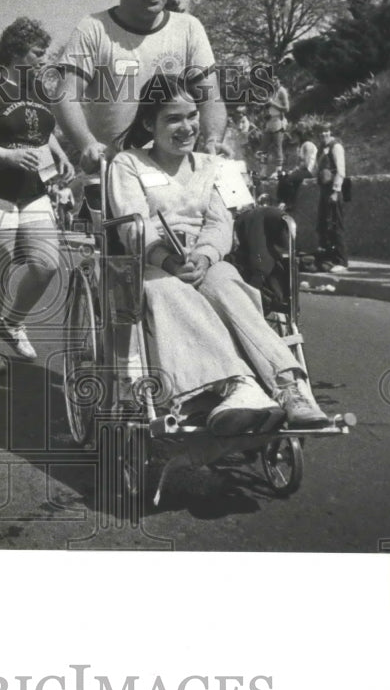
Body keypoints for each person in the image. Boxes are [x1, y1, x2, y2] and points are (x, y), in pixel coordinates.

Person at [107, 73, 328, 432]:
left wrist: (206, 257)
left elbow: (219, 223)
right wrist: (168, 259)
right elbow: (134, 223)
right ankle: (238, 385)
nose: (187, 126)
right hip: (154, 261)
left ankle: (290, 386)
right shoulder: (128, 164)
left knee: (226, 283)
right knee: (165, 290)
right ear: (150, 123)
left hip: (205, 259)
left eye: (192, 116)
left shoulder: (213, 167)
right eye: (173, 118)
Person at [0, 17, 72, 372]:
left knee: (47, 264)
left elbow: (40, 129)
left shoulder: (38, 92)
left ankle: (12, 321)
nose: (43, 59)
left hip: (31, 189)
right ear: (16, 52)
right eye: (38, 52)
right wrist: (6, 155)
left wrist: (61, 153)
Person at [55, 0, 227, 173]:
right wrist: (87, 144)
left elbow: (209, 96)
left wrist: (212, 139)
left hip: (175, 170)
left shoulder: (189, 27)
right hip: (113, 168)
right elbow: (65, 96)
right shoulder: (93, 27)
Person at [315, 122, 349, 272]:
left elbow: (341, 171)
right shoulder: (321, 148)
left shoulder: (336, 147)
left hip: (334, 189)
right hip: (324, 189)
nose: (324, 135)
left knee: (336, 223)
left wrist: (336, 191)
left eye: (327, 132)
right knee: (323, 224)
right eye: (322, 132)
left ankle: (342, 261)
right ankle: (330, 258)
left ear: (331, 132)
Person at [261, 75, 290, 177]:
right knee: (264, 147)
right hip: (269, 121)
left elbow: (286, 108)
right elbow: (267, 106)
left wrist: (272, 104)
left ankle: (278, 171)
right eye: (271, 80)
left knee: (278, 147)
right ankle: (263, 171)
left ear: (279, 80)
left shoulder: (282, 91)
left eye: (275, 80)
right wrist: (266, 110)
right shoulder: (270, 92)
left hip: (278, 120)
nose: (273, 82)